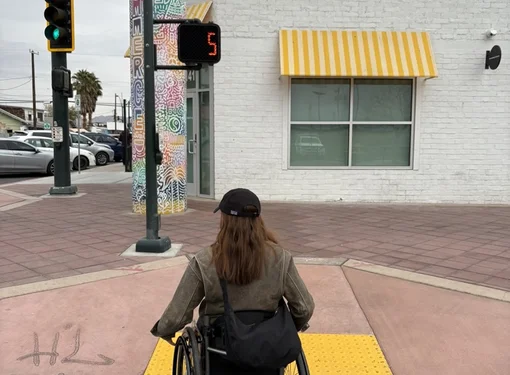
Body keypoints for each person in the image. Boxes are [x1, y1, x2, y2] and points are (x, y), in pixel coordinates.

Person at [151, 188, 315, 373]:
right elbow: (305, 307)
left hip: (219, 349)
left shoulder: (206, 260)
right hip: (267, 347)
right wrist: (288, 328)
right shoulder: (280, 258)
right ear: (258, 220)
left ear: (225, 221)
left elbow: (177, 315)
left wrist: (163, 329)